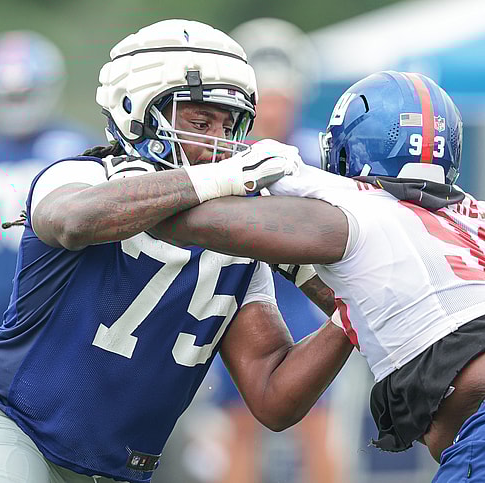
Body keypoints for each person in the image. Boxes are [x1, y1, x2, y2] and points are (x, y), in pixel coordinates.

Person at [152, 70, 485, 482]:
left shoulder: (352, 209)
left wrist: (138, 181)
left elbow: (180, 217)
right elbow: (282, 397)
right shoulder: (476, 219)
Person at [0, 19, 353, 483]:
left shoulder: (236, 245)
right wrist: (223, 181)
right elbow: (71, 221)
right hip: (9, 426)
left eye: (229, 125)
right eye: (200, 120)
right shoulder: (84, 176)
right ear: (138, 110)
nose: (220, 143)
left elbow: (273, 395)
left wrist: (349, 315)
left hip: (114, 470)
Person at [203, 17, 345, 483]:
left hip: (302, 293)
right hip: (240, 290)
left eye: (281, 98)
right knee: (240, 420)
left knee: (317, 421)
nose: (273, 110)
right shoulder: (224, 156)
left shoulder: (309, 154)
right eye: (266, 100)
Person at [0, 30, 93, 377]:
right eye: (7, 95)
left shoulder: (78, 148)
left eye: (24, 94)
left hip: (62, 309)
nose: (16, 104)